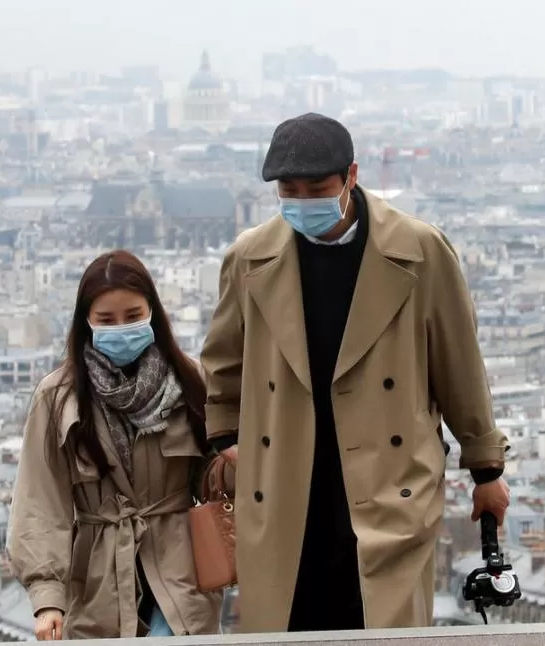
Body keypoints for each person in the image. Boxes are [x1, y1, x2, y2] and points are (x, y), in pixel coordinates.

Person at [200, 112, 511, 633]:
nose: (301, 202)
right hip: (286, 483)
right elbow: (224, 362)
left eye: (316, 188)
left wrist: (487, 470)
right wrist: (229, 441)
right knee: (291, 621)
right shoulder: (249, 256)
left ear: (351, 176)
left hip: (386, 484)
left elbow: (458, 364)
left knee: (377, 625)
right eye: (288, 190)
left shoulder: (420, 251)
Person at [8, 250, 223, 640]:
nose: (121, 328)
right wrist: (48, 598)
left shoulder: (191, 381)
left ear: (153, 313)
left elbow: (208, 473)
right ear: (86, 321)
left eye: (133, 316)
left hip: (180, 575)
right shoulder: (58, 397)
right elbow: (40, 503)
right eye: (106, 320)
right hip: (98, 586)